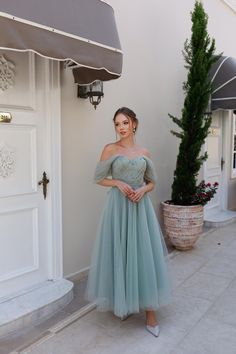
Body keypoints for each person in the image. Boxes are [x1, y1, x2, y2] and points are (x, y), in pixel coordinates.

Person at [85, 107, 171, 337]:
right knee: (121, 253)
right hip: (118, 208)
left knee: (144, 256)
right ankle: (124, 302)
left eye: (125, 122)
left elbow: (152, 182)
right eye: (117, 124)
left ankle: (151, 315)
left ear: (134, 124)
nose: (121, 128)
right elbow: (98, 178)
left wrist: (143, 189)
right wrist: (118, 184)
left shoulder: (144, 152)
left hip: (139, 207)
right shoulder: (110, 149)